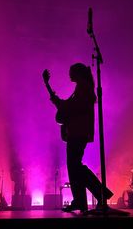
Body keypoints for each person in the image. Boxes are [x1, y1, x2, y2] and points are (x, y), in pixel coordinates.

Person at [42, 63, 113, 212]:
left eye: (71, 71)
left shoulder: (84, 88)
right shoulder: (81, 88)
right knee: (75, 167)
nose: (69, 74)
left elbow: (69, 107)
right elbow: (66, 106)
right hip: (77, 132)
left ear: (77, 73)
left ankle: (98, 194)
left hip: (78, 132)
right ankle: (85, 199)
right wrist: (47, 86)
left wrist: (61, 109)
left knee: (75, 166)